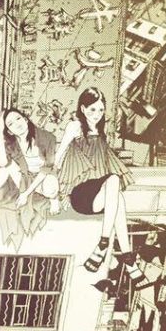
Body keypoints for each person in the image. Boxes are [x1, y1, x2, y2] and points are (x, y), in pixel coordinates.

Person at [54, 87, 148, 288]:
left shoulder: (101, 132)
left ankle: (127, 258)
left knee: (118, 197)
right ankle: (105, 243)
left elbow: (105, 164)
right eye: (92, 109)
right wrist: (58, 192)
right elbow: (58, 157)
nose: (97, 114)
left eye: (100, 110)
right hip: (80, 194)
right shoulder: (75, 126)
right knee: (114, 181)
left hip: (98, 194)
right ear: (82, 108)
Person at [0, 107, 59, 248]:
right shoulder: (12, 144)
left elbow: (47, 167)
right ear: (9, 131)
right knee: (5, 168)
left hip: (44, 176)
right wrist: (0, 129)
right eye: (11, 124)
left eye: (18, 118)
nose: (17, 124)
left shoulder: (48, 137)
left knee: (50, 187)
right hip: (25, 177)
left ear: (26, 119)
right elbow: (2, 162)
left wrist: (25, 194)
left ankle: (54, 199)